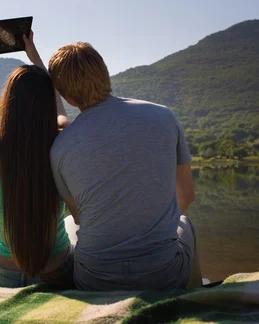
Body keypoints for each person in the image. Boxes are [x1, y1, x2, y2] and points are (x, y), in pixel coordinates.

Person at [47, 42, 202, 291]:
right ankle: (193, 303)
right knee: (185, 223)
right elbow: (186, 195)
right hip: (164, 275)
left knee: (68, 224)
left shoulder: (60, 147)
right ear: (105, 73)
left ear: (66, 96)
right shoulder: (164, 116)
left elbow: (79, 217)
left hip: (94, 278)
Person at [0, 33, 74, 288]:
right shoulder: (61, 139)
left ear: (8, 104)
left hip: (6, 275)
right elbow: (58, 107)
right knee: (72, 224)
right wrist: (35, 56)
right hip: (57, 270)